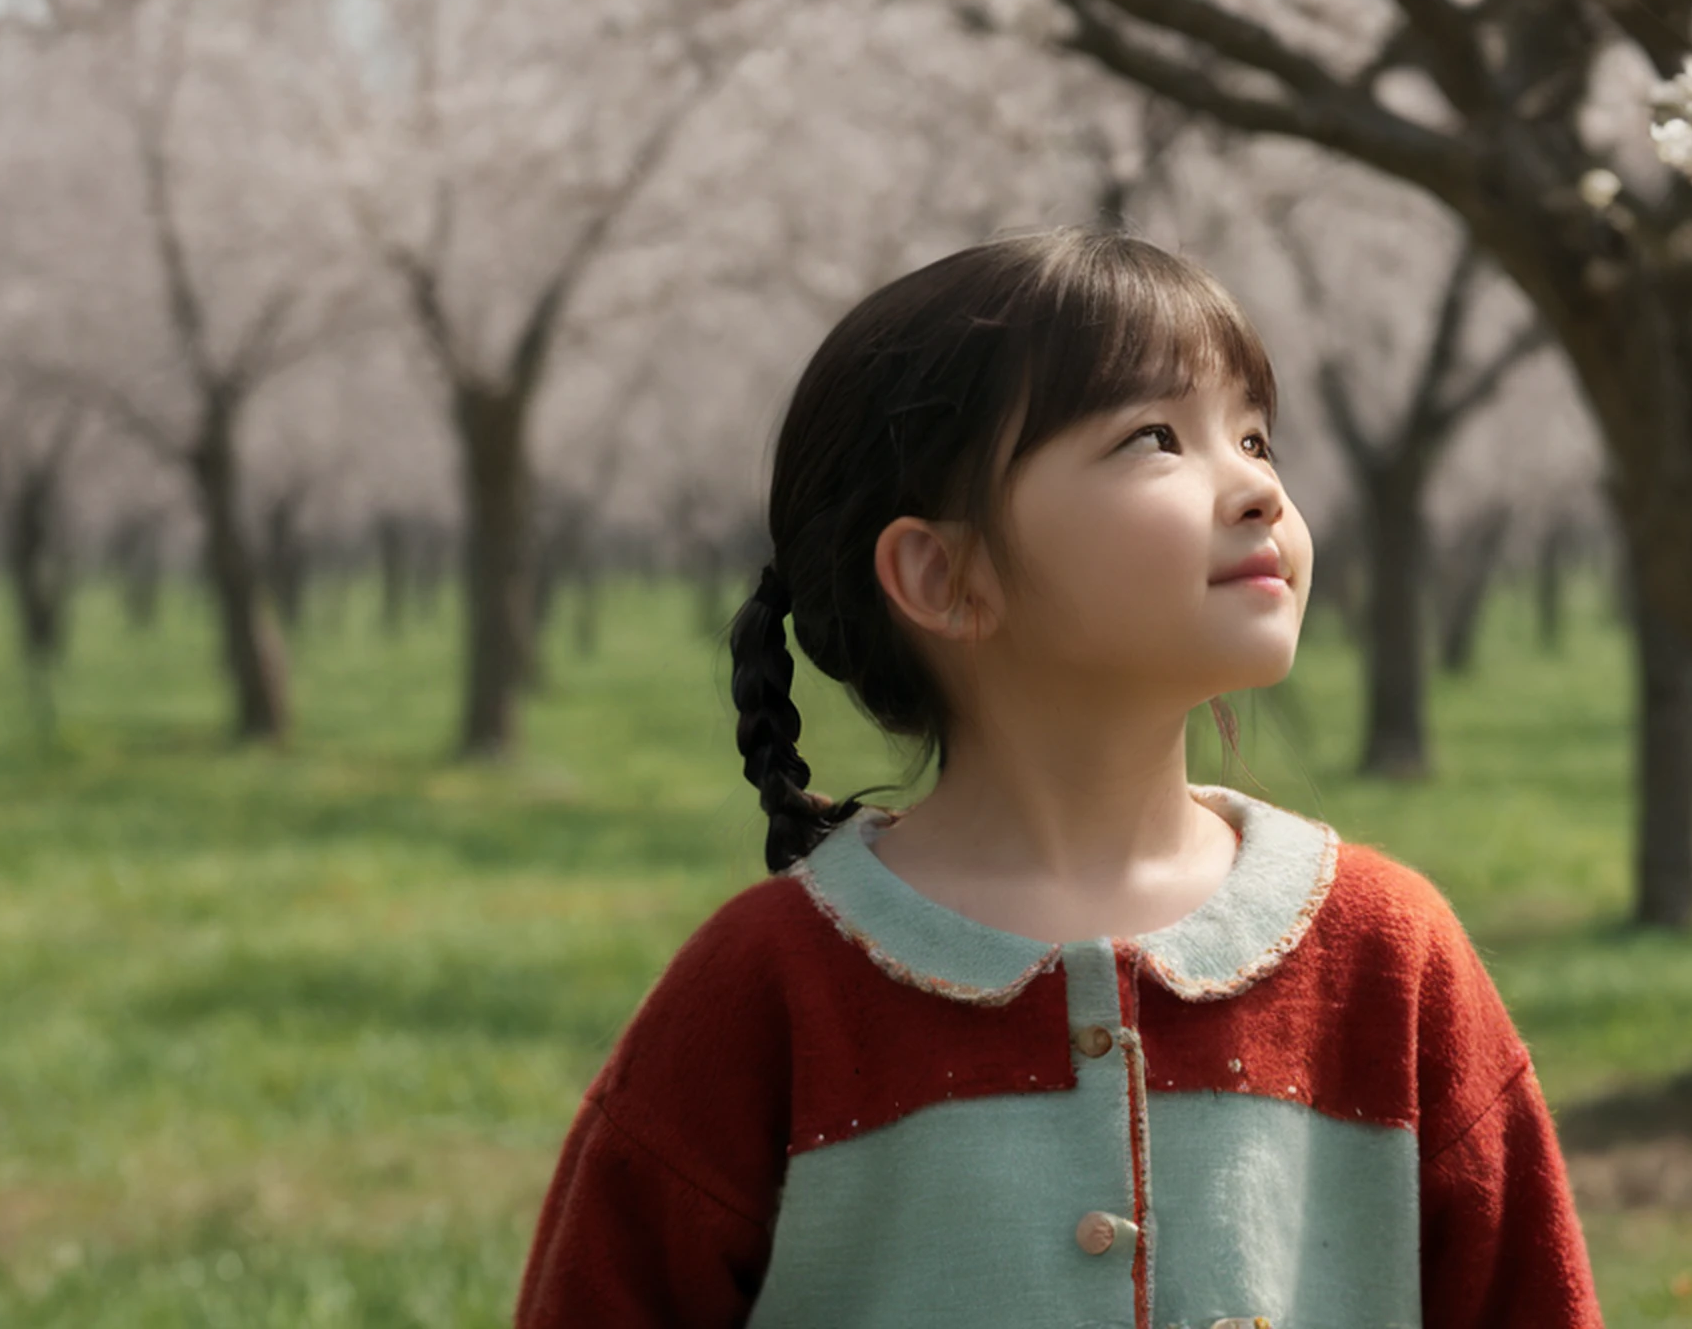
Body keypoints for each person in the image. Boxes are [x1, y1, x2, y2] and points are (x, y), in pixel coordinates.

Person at [511, 226, 1601, 1328]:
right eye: (1154, 438)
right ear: (943, 573)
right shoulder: (766, 990)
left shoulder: (1383, 956)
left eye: (1258, 439)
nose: (1259, 490)